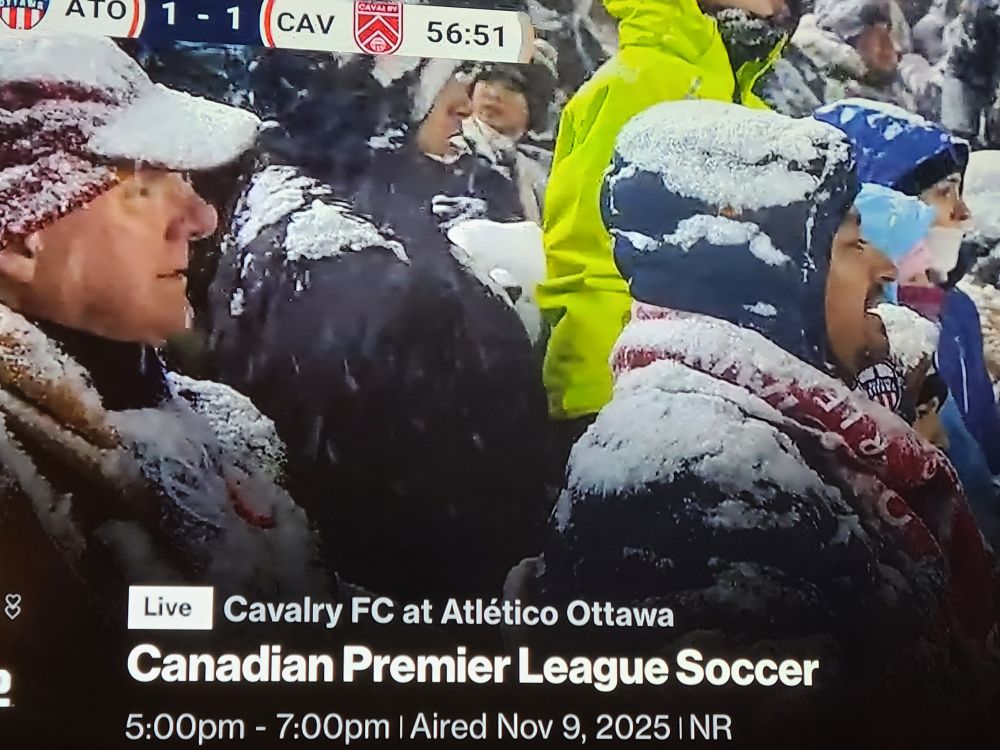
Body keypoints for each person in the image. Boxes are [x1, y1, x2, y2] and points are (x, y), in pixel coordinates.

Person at [512, 99, 999, 746]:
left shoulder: (783, 432)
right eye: (854, 243)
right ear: (768, 277)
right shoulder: (699, 478)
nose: (885, 267)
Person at [0, 33, 346, 737]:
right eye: (146, 185)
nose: (202, 218)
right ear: (19, 237)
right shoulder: (16, 493)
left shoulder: (216, 423)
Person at [204, 55, 549, 606]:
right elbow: (376, 483)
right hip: (418, 624)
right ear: (368, 98)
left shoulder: (353, 205)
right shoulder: (336, 258)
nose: (464, 102)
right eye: (436, 82)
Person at [537, 0, 796, 470]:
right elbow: (589, 252)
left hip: (722, 397)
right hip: (636, 399)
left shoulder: (748, 103)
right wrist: (597, 399)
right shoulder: (635, 84)